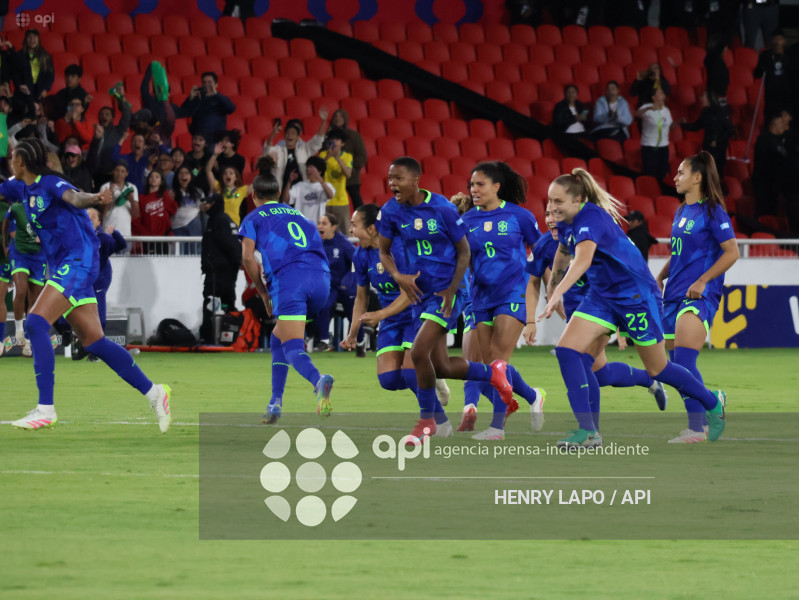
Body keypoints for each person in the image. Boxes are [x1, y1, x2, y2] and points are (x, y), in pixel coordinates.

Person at [538, 167, 727, 447]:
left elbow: (582, 260)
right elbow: (564, 251)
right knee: (568, 351)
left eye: (558, 202)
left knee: (658, 369)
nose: (551, 208)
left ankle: (712, 402)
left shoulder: (591, 218)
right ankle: (588, 431)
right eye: (549, 201)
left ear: (578, 201)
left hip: (636, 297)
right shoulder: (566, 221)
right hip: (602, 296)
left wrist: (558, 294)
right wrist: (552, 283)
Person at [0, 138, 172, 432]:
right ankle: (155, 392)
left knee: (36, 323)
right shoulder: (21, 187)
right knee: (94, 341)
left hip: (79, 260)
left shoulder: (50, 183)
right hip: (65, 265)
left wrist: (95, 198)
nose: (9, 161)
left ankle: (46, 408)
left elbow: (75, 198)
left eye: (12, 157)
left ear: (21, 162)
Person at [376, 156, 512, 441]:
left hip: (447, 291)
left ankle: (428, 422)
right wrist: (398, 276)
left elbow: (464, 251)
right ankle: (493, 374)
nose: (392, 184)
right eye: (390, 179)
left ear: (415, 180)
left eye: (398, 179)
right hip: (420, 293)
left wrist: (452, 289)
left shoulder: (442, 208)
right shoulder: (389, 212)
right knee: (442, 366)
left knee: (417, 352)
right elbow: (383, 252)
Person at [525, 202, 667, 433]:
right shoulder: (544, 245)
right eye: (547, 214)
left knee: (583, 363)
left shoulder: (588, 239)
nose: (551, 219)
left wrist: (620, 330)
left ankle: (590, 431)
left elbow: (613, 286)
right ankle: (648, 380)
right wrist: (531, 320)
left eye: (555, 213)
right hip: (578, 315)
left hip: (599, 311)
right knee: (601, 374)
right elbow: (534, 282)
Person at [238, 157, 334, 423]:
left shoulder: (253, 217)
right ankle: (275, 402)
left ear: (253, 195)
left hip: (291, 281)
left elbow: (247, 258)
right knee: (278, 337)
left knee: (293, 347)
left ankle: (319, 380)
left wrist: (263, 292)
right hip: (322, 279)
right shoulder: (299, 214)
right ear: (280, 194)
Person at [657, 153, 739, 443]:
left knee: (684, 360)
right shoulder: (681, 211)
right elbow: (678, 253)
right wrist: (660, 276)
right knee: (673, 365)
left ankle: (697, 428)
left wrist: (704, 281)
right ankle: (710, 403)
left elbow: (732, 251)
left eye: (681, 172)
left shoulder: (714, 211)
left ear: (698, 177)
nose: (676, 177)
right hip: (673, 294)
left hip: (699, 295)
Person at [460, 161, 545, 440]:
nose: (474, 189)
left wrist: (550, 294)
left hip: (514, 293)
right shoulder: (467, 221)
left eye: (480, 184)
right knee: (489, 366)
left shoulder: (519, 216)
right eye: (472, 184)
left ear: (497, 187)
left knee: (498, 360)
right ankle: (533, 396)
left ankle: (497, 428)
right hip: (481, 297)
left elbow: (542, 255)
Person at [2, 195, 48, 357]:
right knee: (20, 291)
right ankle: (19, 329)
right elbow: (5, 224)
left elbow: (54, 227)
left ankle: (28, 341)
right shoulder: (16, 207)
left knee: (34, 301)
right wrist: (5, 245)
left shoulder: (45, 207)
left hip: (39, 257)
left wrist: (44, 237)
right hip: (19, 253)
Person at [313, 213, 360, 353]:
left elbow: (358, 261)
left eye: (324, 223)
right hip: (329, 286)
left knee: (353, 311)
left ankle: (359, 341)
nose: (320, 226)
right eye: (319, 222)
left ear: (333, 227)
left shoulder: (343, 243)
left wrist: (349, 279)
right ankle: (324, 342)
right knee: (324, 305)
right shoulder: (315, 243)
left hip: (345, 285)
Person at [199, 191, 241, 344]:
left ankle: (209, 337)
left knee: (213, 303)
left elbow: (229, 245)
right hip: (223, 271)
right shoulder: (220, 220)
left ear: (216, 204)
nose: (205, 205)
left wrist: (237, 261)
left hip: (219, 273)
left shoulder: (219, 220)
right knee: (226, 303)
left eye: (209, 202)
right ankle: (227, 338)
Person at [264, 107, 329, 191]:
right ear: (284, 136)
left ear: (298, 137)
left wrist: (323, 122)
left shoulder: (304, 150)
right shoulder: (278, 150)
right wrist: (273, 134)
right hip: (281, 192)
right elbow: (267, 150)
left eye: (293, 133)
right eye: (288, 133)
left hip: (301, 193)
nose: (290, 135)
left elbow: (317, 141)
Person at [87, 207, 127, 331]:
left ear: (99, 222)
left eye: (94, 216)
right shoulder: (77, 237)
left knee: (98, 306)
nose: (91, 218)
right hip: (82, 278)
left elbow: (121, 245)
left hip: (100, 277)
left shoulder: (104, 239)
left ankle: (100, 336)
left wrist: (115, 234)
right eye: (88, 215)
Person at [680, 91, 735, 178]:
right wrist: (683, 125)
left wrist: (717, 141)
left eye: (703, 96)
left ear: (709, 99)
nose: (701, 99)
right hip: (708, 147)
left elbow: (730, 130)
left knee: (717, 172)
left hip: (719, 149)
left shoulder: (720, 112)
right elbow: (696, 126)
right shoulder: (705, 112)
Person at [86, 84, 132, 187]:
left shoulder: (118, 130)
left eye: (107, 114)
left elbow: (127, 114)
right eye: (101, 114)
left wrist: (121, 98)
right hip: (95, 175)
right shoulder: (94, 131)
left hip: (112, 176)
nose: (104, 116)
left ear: (112, 118)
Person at [179, 72, 236, 144]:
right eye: (204, 82)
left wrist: (216, 94)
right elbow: (183, 112)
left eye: (209, 82)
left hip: (216, 140)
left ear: (216, 85)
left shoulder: (220, 99)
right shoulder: (197, 97)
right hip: (199, 140)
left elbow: (231, 109)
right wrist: (190, 98)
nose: (206, 85)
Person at [752, 112, 789, 217]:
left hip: (774, 183)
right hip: (763, 183)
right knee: (764, 212)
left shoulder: (779, 140)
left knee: (773, 212)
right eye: (780, 123)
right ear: (774, 124)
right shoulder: (764, 139)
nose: (783, 125)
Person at [330, 108, 367, 210]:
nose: (337, 118)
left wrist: (352, 168)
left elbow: (362, 155)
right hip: (333, 176)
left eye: (340, 116)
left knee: (357, 204)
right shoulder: (328, 136)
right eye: (335, 116)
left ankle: (364, 222)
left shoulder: (354, 136)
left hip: (351, 178)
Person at [133, 170, 178, 254]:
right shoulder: (141, 198)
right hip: (148, 237)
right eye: (151, 176)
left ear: (161, 181)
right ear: (148, 179)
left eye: (157, 177)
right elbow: (138, 218)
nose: (154, 178)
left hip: (164, 236)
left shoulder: (166, 195)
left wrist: (171, 198)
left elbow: (173, 210)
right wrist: (144, 234)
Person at [753, 30, 795, 118]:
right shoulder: (765, 55)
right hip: (771, 93)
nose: (777, 42)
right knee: (770, 117)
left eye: (780, 39)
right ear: (771, 40)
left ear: (784, 41)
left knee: (785, 118)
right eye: (775, 39)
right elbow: (757, 74)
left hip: (786, 92)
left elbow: (793, 73)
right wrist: (762, 67)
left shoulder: (789, 55)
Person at [319, 127, 354, 233]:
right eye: (332, 139)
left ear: (342, 143)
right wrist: (328, 157)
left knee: (345, 233)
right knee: (325, 233)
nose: (334, 141)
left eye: (337, 139)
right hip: (325, 201)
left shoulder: (348, 157)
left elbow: (348, 174)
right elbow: (318, 172)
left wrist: (337, 157)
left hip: (341, 201)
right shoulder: (323, 155)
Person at [205, 143, 248, 226]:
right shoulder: (217, 186)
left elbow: (259, 184)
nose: (228, 175)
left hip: (234, 227)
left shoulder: (241, 190)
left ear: (236, 177)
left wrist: (265, 168)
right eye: (225, 173)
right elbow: (208, 171)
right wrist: (215, 155)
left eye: (231, 173)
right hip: (219, 225)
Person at [636, 89, 674, 182]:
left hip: (663, 146)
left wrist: (679, 122)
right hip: (649, 146)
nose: (663, 95)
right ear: (653, 97)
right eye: (660, 93)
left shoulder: (666, 110)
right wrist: (649, 108)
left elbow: (670, 125)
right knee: (650, 174)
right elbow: (637, 114)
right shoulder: (647, 107)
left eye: (663, 93)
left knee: (662, 173)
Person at [283, 155, 334, 223]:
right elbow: (286, 199)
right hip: (301, 224)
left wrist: (320, 180)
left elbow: (330, 195)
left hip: (317, 226)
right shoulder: (300, 186)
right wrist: (289, 181)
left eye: (311, 167)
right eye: (307, 167)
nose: (308, 169)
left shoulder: (326, 186)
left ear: (319, 171)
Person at [13, 29, 54, 113]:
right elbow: (15, 74)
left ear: (38, 39)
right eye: (29, 37)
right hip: (23, 94)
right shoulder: (19, 55)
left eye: (35, 37)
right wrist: (20, 85)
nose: (32, 40)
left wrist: (46, 89)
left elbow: (50, 75)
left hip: (39, 93)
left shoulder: (45, 56)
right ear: (25, 39)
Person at [99, 160, 139, 238]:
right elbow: (102, 213)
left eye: (122, 171)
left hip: (125, 233)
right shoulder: (105, 187)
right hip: (108, 233)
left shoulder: (132, 188)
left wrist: (132, 201)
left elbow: (136, 215)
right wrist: (109, 195)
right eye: (117, 170)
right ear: (113, 172)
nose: (119, 173)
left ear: (126, 173)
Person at [171, 165, 205, 253]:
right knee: (178, 253)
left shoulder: (198, 192)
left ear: (191, 176)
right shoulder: (171, 193)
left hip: (194, 224)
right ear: (177, 177)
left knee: (195, 253)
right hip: (177, 226)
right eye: (181, 173)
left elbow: (203, 207)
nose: (183, 175)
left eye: (186, 173)